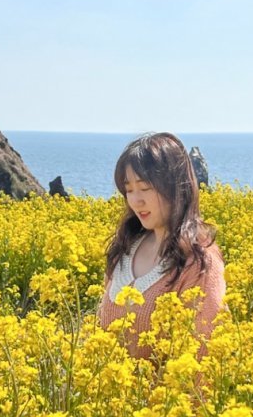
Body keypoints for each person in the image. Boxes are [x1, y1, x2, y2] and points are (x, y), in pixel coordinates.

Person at [97, 132, 226, 361]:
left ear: (175, 187)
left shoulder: (198, 262)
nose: (136, 200)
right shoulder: (126, 248)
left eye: (145, 188)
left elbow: (202, 361)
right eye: (129, 190)